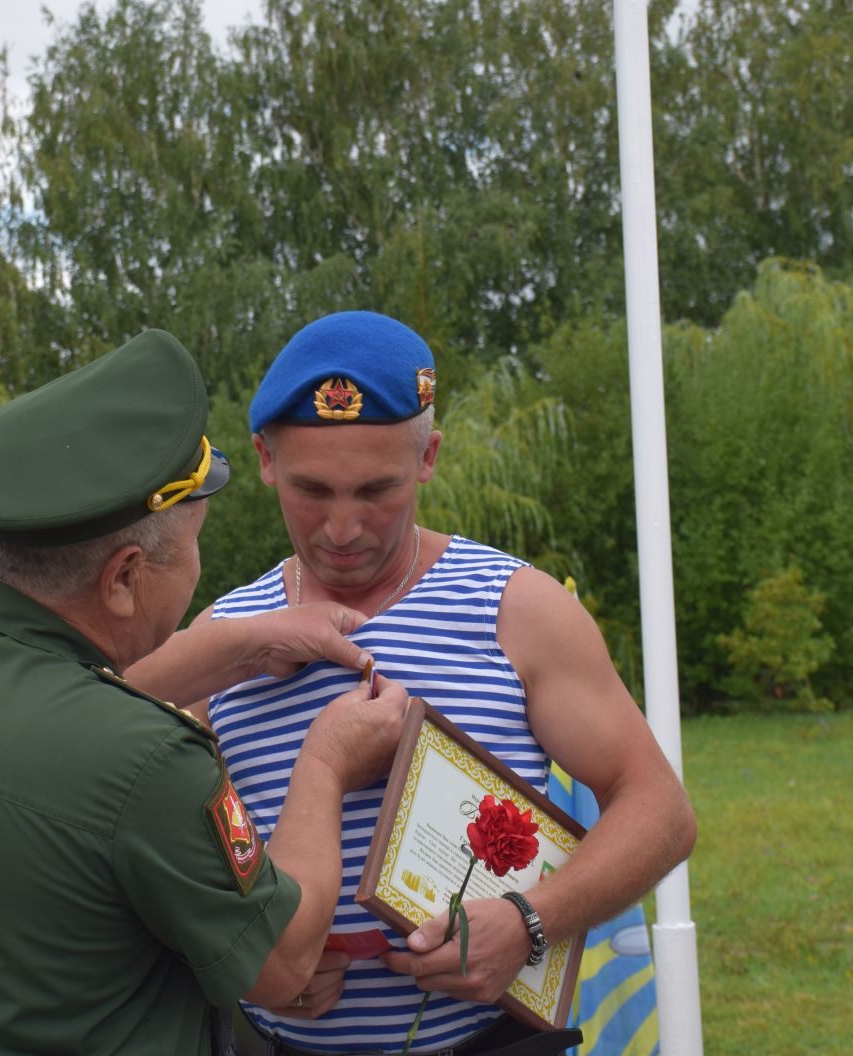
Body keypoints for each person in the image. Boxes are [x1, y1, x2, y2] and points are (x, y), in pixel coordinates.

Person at [0, 328, 412, 1055]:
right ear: (124, 577)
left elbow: (36, 703)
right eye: (192, 544)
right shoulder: (147, 765)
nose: (196, 568)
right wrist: (326, 764)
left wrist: (238, 645)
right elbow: (281, 964)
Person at [129, 311, 696, 1056]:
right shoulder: (228, 634)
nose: (341, 527)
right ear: (264, 459)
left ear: (428, 456)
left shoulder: (514, 608)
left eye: (376, 489)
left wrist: (530, 919)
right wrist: (251, 967)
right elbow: (108, 797)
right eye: (312, 490)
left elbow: (660, 811)